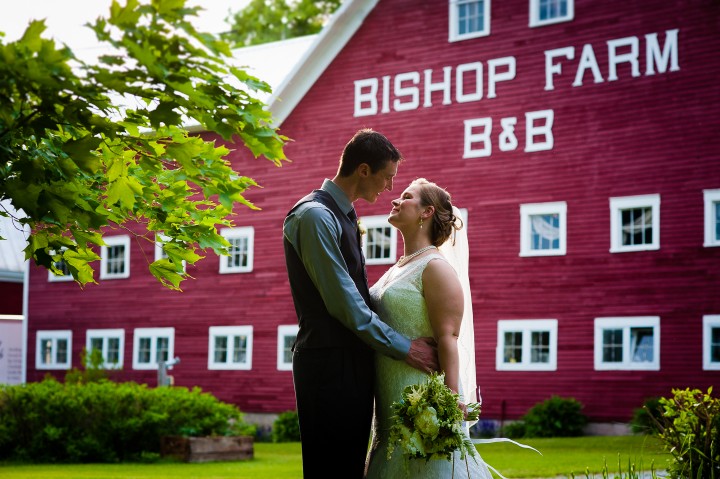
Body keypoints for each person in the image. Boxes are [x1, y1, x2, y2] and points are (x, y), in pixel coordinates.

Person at [282, 129, 439, 479]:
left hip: (349, 361)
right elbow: (345, 304)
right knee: (331, 470)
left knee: (350, 467)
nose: (389, 188)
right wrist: (405, 348)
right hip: (327, 363)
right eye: (388, 177)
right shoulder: (314, 216)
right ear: (364, 170)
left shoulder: (344, 216)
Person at [365, 178, 493, 478]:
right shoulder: (398, 267)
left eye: (406, 197)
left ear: (426, 212)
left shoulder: (435, 267)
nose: (395, 201)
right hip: (388, 397)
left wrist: (448, 405)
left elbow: (448, 338)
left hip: (421, 396)